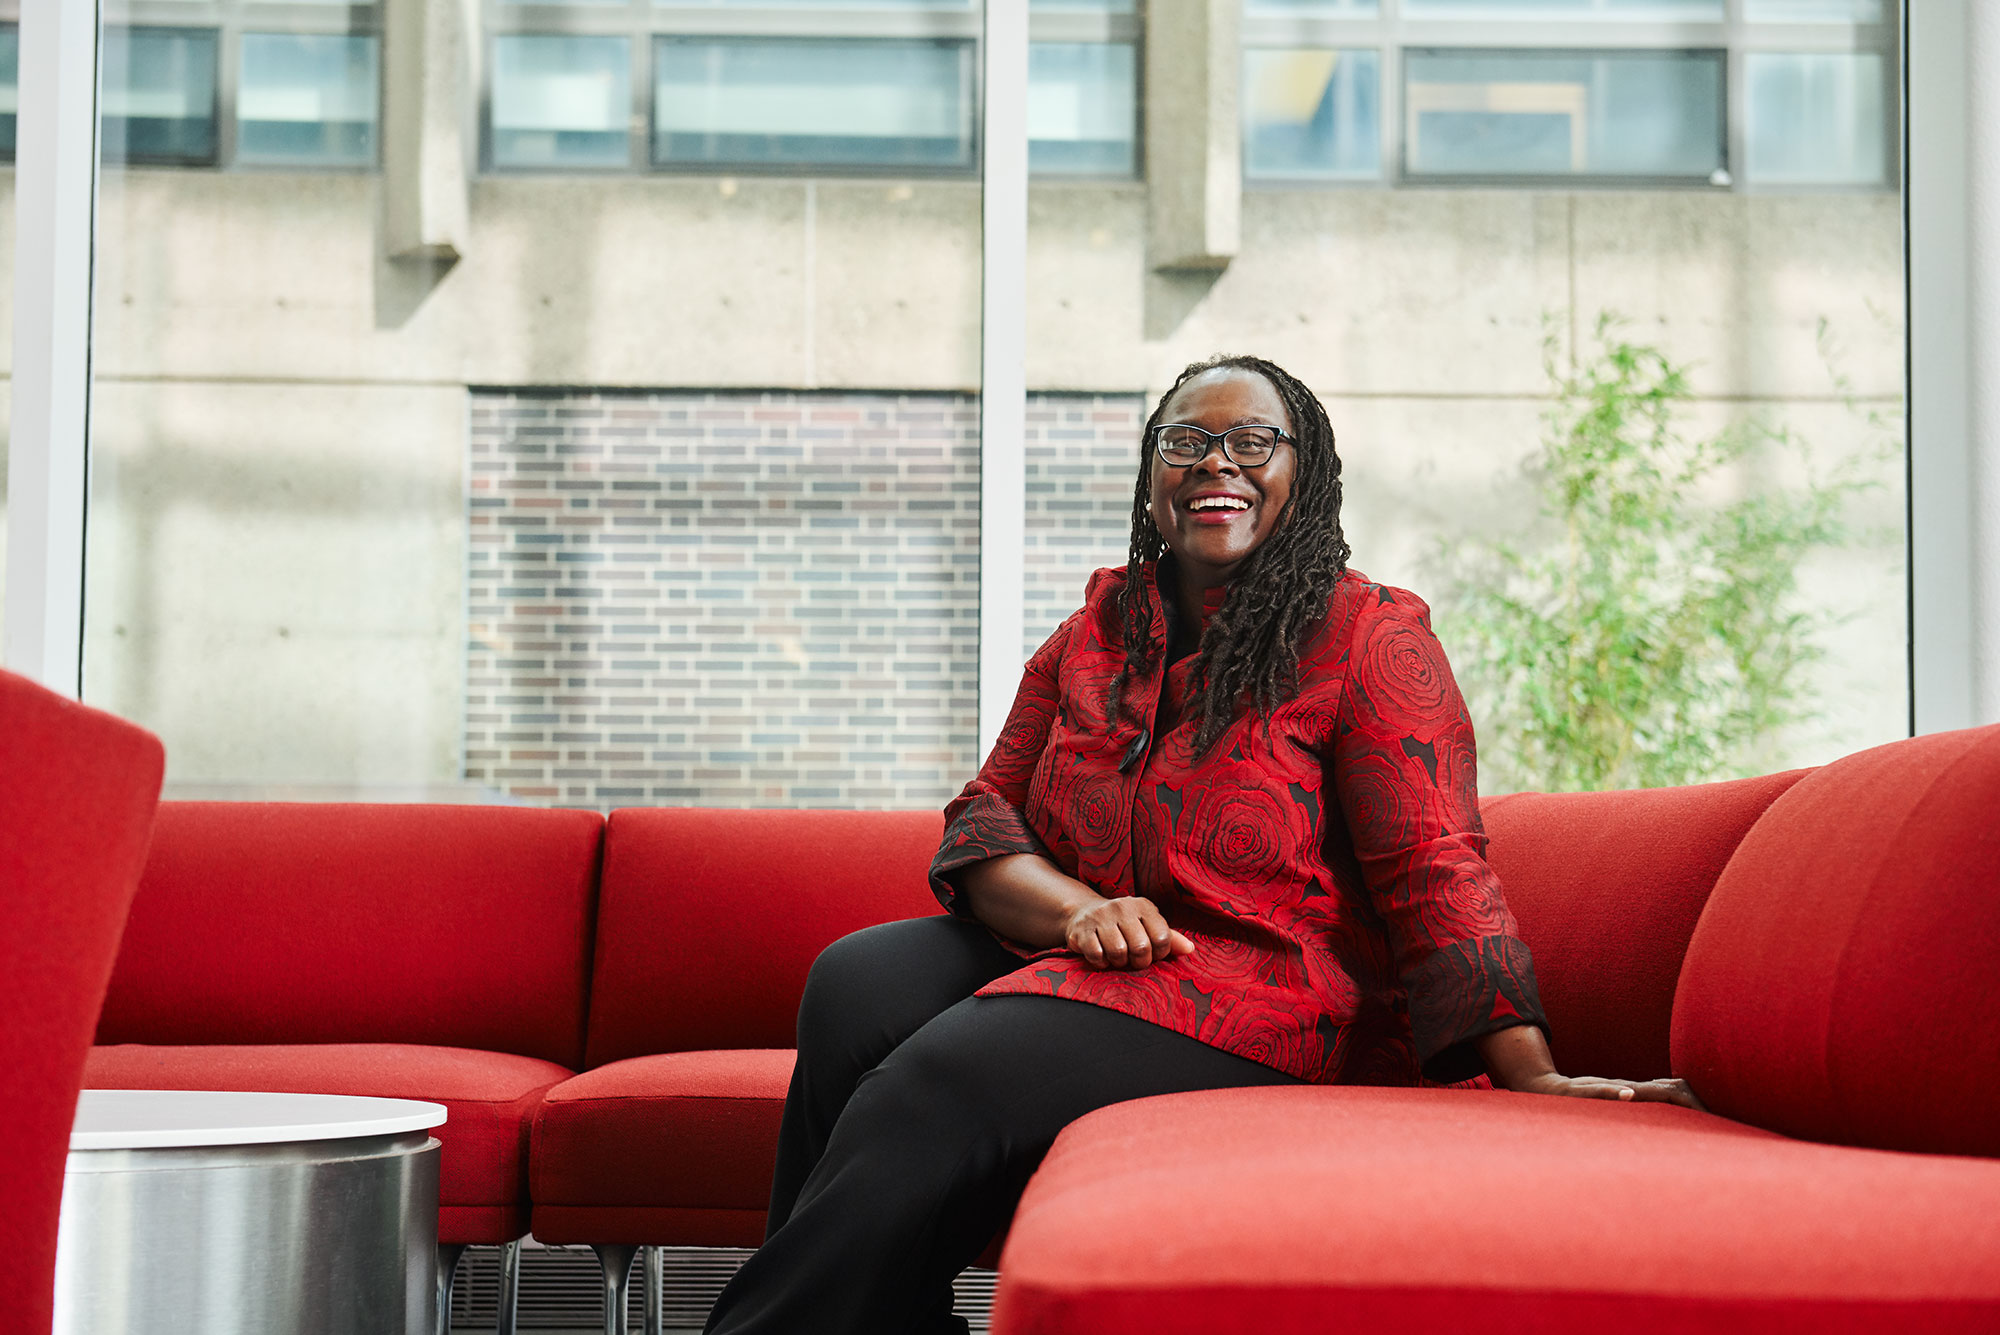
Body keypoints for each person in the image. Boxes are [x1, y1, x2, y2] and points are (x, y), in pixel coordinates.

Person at [701, 354, 1703, 1335]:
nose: (1215, 463)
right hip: (1095, 952)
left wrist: (1529, 1073)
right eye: (1186, 442)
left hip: (1273, 987)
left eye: (1252, 442)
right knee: (856, 984)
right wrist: (1077, 911)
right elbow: (984, 818)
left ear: (1302, 472)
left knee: (942, 1078)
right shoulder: (1093, 632)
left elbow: (1433, 866)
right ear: (1151, 476)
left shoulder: (1369, 637)